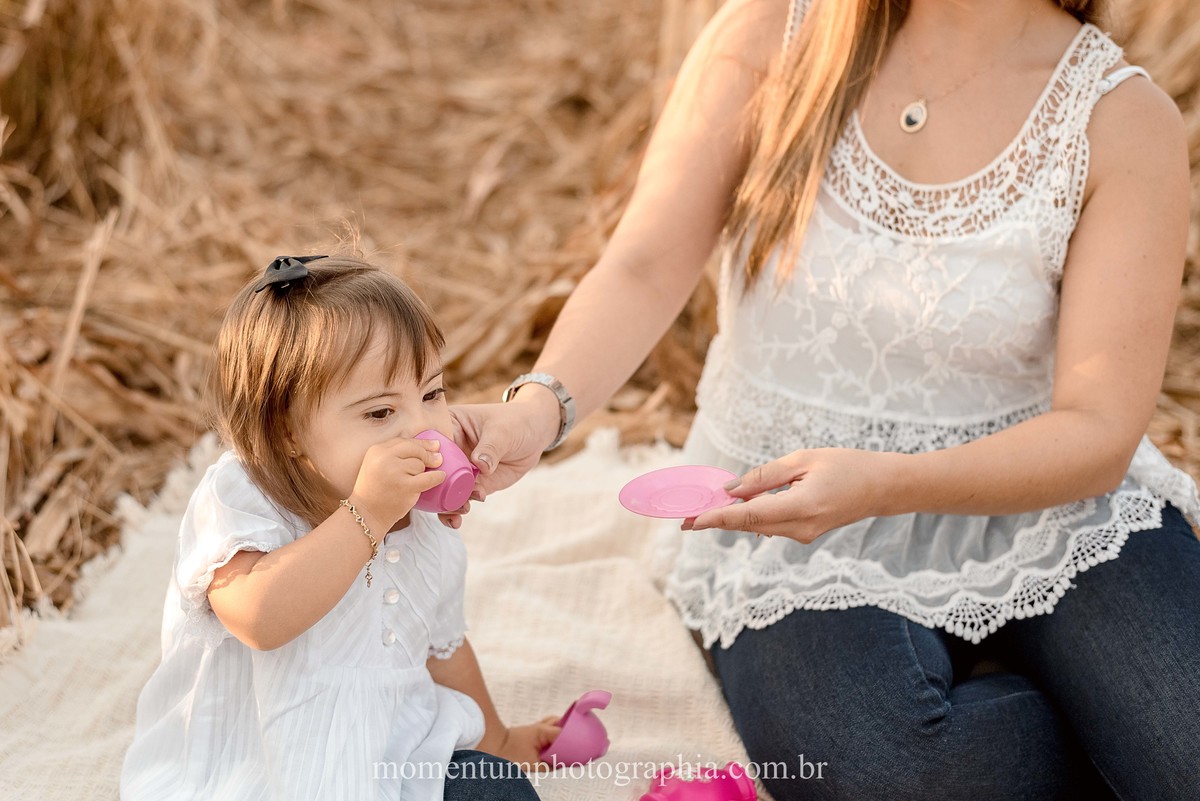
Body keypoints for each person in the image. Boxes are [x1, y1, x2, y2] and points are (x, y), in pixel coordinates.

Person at [450, 0, 1200, 798]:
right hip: (783, 514)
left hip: (1045, 503)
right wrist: (536, 409)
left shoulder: (1121, 118)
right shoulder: (772, 35)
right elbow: (642, 267)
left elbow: (1096, 429)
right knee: (907, 777)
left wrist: (884, 483)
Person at [121, 256, 558, 801]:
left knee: (499, 789)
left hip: (393, 753)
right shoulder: (246, 495)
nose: (423, 429)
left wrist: (499, 741)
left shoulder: (425, 525)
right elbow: (258, 617)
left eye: (431, 395)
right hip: (262, 770)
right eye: (380, 414)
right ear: (286, 432)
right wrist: (366, 516)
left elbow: (443, 648)